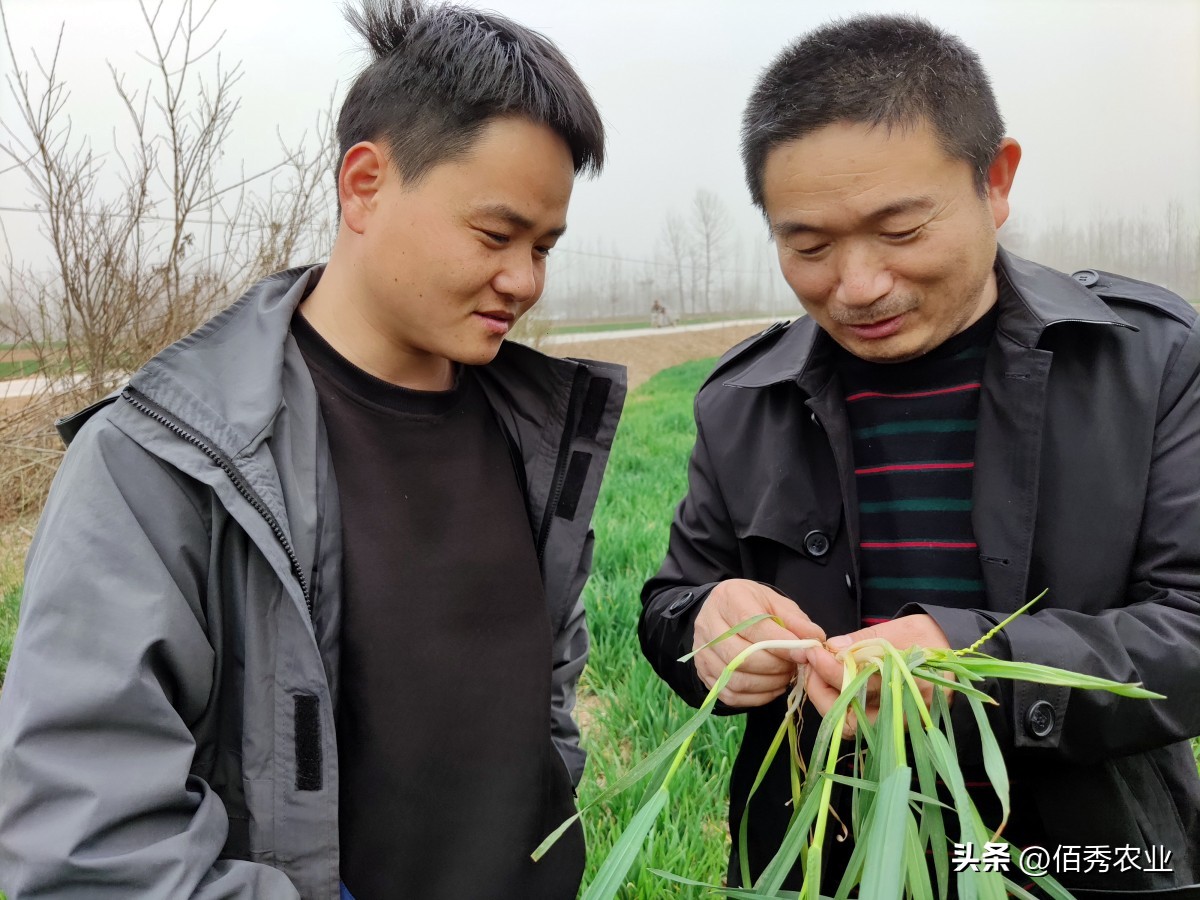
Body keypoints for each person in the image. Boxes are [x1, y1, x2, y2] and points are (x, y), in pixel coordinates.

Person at [0, 2, 624, 898]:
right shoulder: (165, 463)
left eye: (545, 246)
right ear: (365, 184)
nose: (524, 280)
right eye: (495, 235)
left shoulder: (538, 436)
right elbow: (89, 847)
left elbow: (545, 702)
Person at [640, 14, 1200, 898]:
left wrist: (964, 666)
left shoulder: (1149, 361)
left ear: (996, 181)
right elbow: (674, 599)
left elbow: (1190, 632)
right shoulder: (743, 401)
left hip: (1083, 862)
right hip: (823, 862)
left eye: (900, 231)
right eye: (809, 245)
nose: (857, 287)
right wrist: (704, 626)